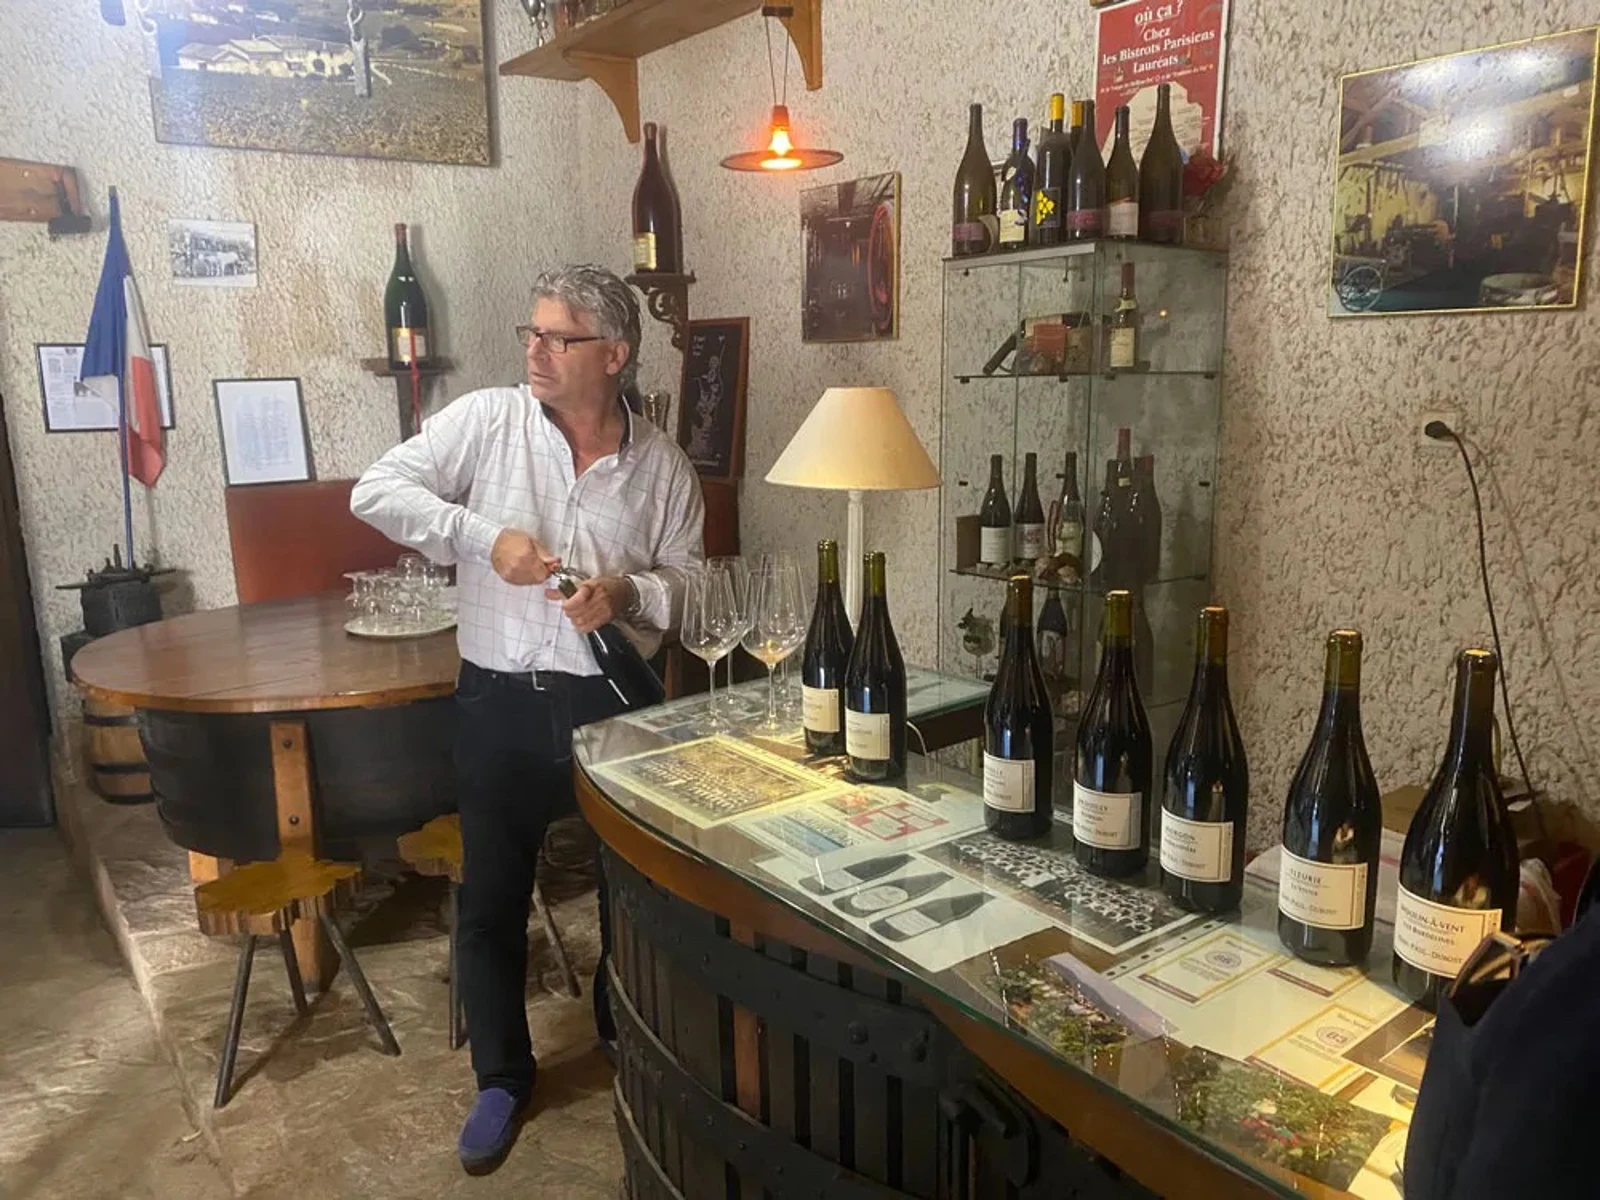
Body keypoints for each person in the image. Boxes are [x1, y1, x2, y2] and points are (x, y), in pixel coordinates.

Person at [351, 264, 704, 1173]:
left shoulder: (662, 465)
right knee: (492, 899)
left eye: (558, 337)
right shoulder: (487, 421)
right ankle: (503, 1078)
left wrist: (629, 592)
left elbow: (694, 586)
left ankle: (624, 1032)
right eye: (532, 333)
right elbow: (375, 491)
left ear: (614, 355)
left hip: (609, 704)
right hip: (498, 699)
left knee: (633, 892)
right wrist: (482, 538)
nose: (536, 350)